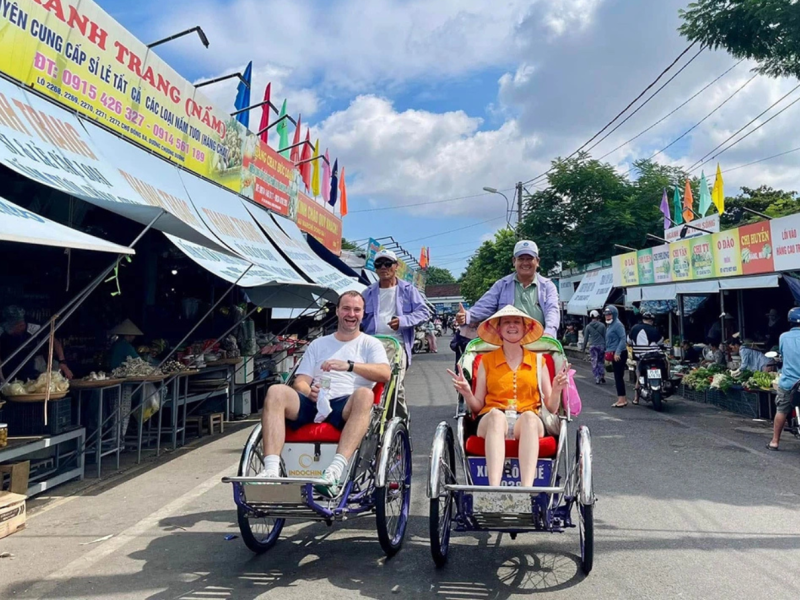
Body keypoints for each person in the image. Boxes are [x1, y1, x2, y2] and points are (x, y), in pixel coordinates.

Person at [259, 291, 391, 496]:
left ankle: (335, 471)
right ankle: (270, 471)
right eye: (346, 308)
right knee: (276, 391)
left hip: (346, 404)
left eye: (357, 310)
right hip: (315, 401)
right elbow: (301, 380)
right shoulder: (319, 344)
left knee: (365, 394)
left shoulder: (370, 344)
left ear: (363, 314)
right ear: (337, 311)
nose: (351, 314)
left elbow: (385, 373)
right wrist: (308, 391)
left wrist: (349, 366)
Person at [447, 306, 568, 487]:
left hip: (528, 422)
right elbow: (477, 406)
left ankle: (526, 491)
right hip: (491, 421)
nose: (512, 326)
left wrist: (557, 389)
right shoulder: (486, 361)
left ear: (525, 327)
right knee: (496, 416)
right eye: (507, 322)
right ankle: (494, 490)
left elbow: (551, 407)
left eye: (516, 322)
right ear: (498, 329)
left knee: (529, 417)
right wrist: (467, 392)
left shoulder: (538, 361)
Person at [362, 249, 429, 417]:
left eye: (387, 263)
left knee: (395, 386)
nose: (383, 267)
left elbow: (424, 313)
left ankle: (400, 423)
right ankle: (371, 422)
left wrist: (403, 321)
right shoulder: (368, 292)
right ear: (375, 268)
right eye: (379, 264)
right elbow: (357, 318)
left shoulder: (408, 290)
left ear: (396, 266)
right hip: (372, 344)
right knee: (368, 385)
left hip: (397, 345)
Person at [455, 240, 560, 338]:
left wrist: (549, 333)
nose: (525, 263)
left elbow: (552, 311)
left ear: (537, 261)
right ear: (514, 261)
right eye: (521, 259)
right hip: (508, 342)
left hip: (539, 341)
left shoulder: (548, 286)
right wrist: (467, 315)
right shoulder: (501, 285)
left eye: (529, 259)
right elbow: (485, 305)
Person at [0, 305, 73, 381]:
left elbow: (54, 341)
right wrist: (2, 380)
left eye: (20, 325)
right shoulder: (2, 331)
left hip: (28, 367)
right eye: (12, 329)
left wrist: (62, 362)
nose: (15, 330)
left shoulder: (34, 327)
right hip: (7, 368)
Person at [768, 308, 800, 451]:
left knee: (782, 410)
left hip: (790, 381)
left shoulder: (784, 337)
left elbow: (782, 354)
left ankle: (775, 441)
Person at [628, 311, 664, 405]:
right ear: (651, 320)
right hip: (655, 356)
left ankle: (636, 399)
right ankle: (665, 381)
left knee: (639, 376)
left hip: (640, 358)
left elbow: (628, 341)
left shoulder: (634, 328)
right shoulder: (654, 330)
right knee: (666, 363)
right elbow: (660, 341)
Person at [604, 306, 629, 408]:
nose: (607, 316)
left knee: (618, 377)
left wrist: (617, 353)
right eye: (606, 314)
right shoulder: (610, 326)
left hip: (619, 354)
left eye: (609, 314)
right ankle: (622, 398)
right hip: (613, 353)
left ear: (614, 314)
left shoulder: (618, 325)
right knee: (617, 376)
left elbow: (623, 339)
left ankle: (621, 400)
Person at [582, 310, 606, 384]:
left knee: (594, 362)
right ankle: (602, 375)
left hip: (593, 346)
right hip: (601, 346)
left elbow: (585, 338)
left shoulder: (588, 327)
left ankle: (597, 377)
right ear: (598, 316)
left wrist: (583, 347)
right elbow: (606, 337)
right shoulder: (602, 326)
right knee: (601, 361)